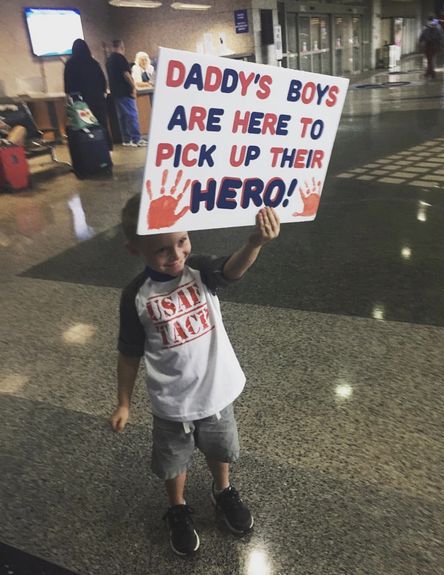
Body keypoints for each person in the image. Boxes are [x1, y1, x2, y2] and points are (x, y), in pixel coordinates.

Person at [110, 192, 280, 556]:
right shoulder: (136, 297)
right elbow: (128, 352)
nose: (176, 255)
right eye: (162, 249)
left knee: (220, 450)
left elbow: (232, 270)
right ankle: (178, 507)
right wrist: (123, 402)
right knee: (174, 463)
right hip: (172, 403)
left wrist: (254, 242)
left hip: (216, 393)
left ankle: (222, 491)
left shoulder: (199, 270)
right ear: (134, 250)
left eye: (182, 240)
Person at [64, 39, 113, 150]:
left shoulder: (70, 64)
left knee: (84, 127)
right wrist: (102, 93)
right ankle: (106, 148)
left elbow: (68, 87)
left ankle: (90, 149)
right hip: (97, 99)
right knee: (101, 124)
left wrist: (69, 102)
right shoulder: (93, 62)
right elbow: (103, 81)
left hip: (80, 102)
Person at [106, 40, 147, 147]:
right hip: (124, 91)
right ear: (122, 46)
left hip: (115, 92)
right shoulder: (120, 58)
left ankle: (126, 139)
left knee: (122, 117)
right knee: (132, 115)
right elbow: (126, 74)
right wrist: (133, 87)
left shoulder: (109, 60)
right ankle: (136, 139)